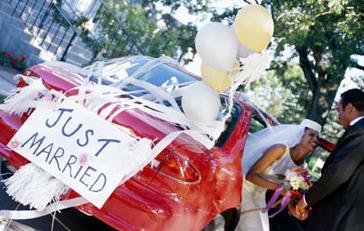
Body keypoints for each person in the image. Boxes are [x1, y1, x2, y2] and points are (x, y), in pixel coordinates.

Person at [291, 88, 364, 231]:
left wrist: (305, 201)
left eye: (339, 110)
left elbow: (338, 173)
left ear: (349, 108)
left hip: (340, 218)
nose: (338, 116)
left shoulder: (360, 133)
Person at [237, 119, 321, 231]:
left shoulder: (303, 169)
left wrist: (295, 209)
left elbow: (288, 192)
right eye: (311, 135)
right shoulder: (280, 149)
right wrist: (279, 189)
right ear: (300, 135)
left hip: (259, 196)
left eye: (318, 138)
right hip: (243, 187)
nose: (316, 139)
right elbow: (251, 175)